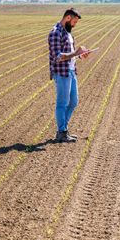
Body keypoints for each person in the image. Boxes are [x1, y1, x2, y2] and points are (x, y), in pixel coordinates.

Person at [48, 8, 91, 142]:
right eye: (74, 21)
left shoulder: (68, 33)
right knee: (63, 103)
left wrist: (80, 56)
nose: (74, 24)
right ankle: (62, 132)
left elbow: (70, 56)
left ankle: (63, 131)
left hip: (71, 71)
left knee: (73, 102)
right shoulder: (55, 33)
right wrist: (75, 53)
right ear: (67, 18)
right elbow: (57, 57)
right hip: (62, 73)